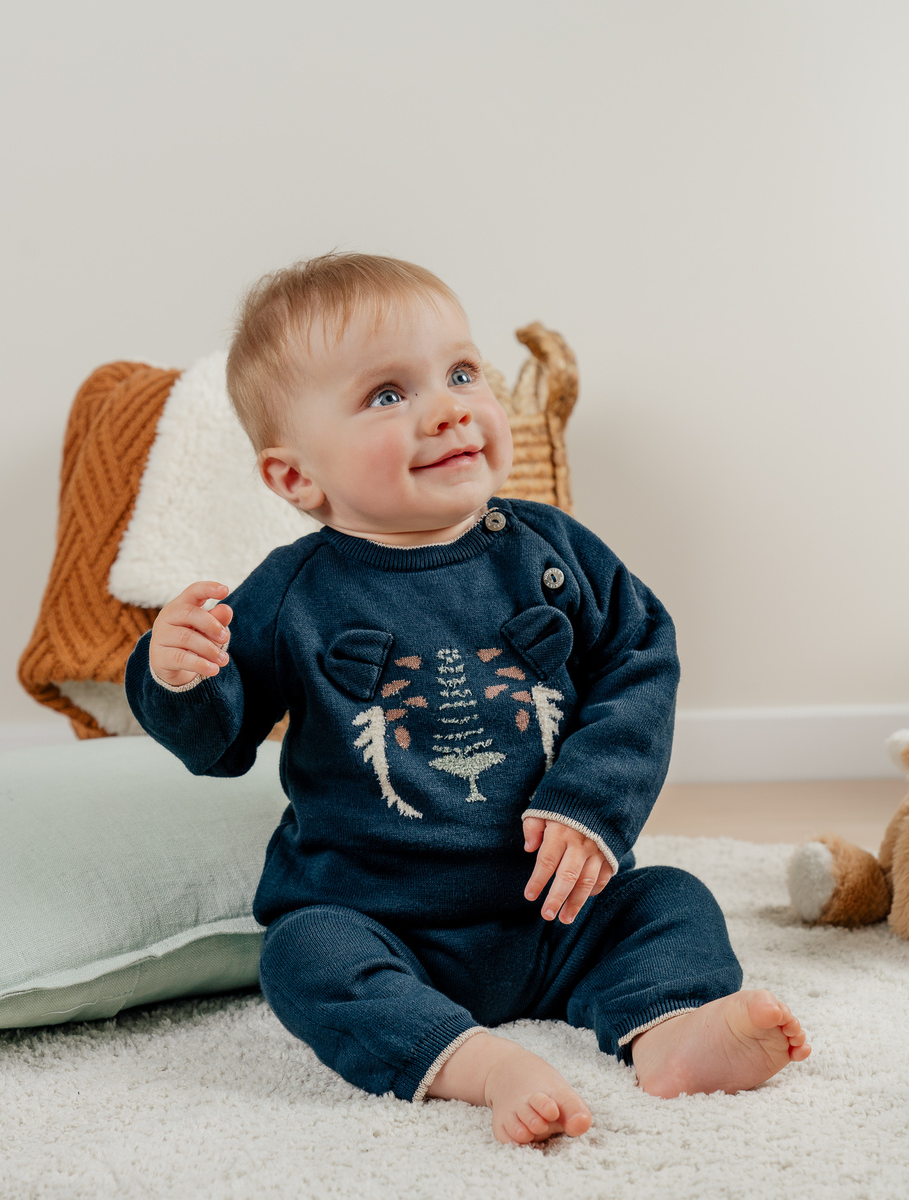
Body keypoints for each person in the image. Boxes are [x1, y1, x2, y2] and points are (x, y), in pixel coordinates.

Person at [125, 253, 810, 1145]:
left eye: (460, 373)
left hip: (556, 909)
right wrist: (178, 675)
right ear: (295, 478)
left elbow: (642, 658)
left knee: (671, 899)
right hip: (380, 917)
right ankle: (474, 1062)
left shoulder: (553, 553)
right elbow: (219, 743)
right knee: (301, 956)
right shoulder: (289, 595)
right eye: (386, 395)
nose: (448, 407)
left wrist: (592, 804)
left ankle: (671, 1030)